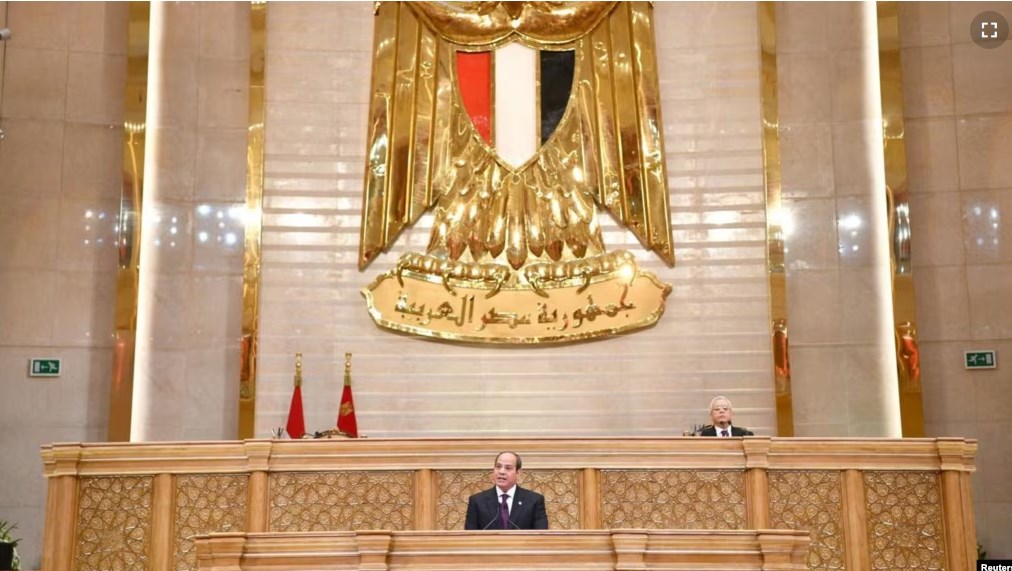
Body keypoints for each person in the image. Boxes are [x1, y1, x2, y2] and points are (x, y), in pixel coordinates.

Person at [464, 451, 549, 530]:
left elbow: (541, 536)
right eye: (498, 467)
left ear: (518, 473)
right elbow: (469, 537)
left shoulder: (534, 501)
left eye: (508, 468)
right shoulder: (477, 501)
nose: (501, 472)